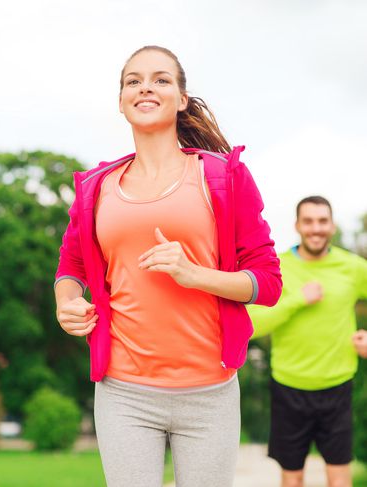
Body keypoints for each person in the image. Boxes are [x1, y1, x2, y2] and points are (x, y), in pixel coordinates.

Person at [54, 45, 282, 487]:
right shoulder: (94, 187)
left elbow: (268, 282)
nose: (145, 87)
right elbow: (72, 264)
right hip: (123, 391)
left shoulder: (223, 176)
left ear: (181, 99)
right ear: (121, 102)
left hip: (209, 392)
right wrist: (69, 302)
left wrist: (194, 274)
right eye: (133, 80)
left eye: (161, 79)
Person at [248, 195, 367, 487]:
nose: (316, 228)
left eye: (322, 221)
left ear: (332, 225)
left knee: (339, 477)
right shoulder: (278, 267)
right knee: (292, 477)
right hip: (289, 386)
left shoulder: (352, 267)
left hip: (337, 386)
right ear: (297, 225)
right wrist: (297, 300)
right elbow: (251, 324)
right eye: (309, 221)